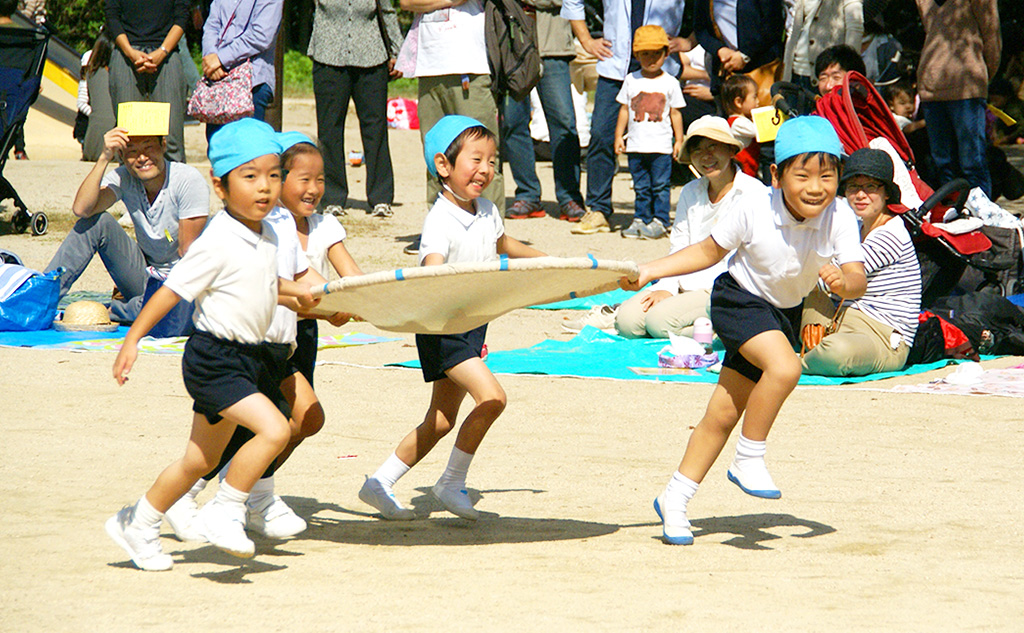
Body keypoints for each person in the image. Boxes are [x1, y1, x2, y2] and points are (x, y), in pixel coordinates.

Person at [621, 116, 867, 545]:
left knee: (721, 415)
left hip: (782, 314)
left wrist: (844, 283)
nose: (816, 187)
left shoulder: (840, 215)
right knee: (787, 368)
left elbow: (857, 279)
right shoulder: (754, 206)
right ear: (776, 175)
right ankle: (749, 457)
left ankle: (674, 498)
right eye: (803, 174)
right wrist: (649, 271)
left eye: (828, 175)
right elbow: (706, 251)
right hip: (739, 302)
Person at [105, 118, 318, 571]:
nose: (265, 187)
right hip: (214, 359)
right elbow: (171, 290)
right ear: (220, 187)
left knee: (198, 460)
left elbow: (259, 283)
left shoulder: (268, 233)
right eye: (250, 176)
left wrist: (297, 293)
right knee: (276, 429)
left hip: (247, 359)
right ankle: (228, 508)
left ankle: (138, 523)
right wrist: (132, 339)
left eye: (274, 175)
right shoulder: (217, 239)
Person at [162, 133, 355, 544]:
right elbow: (277, 289)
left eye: (319, 179)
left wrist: (358, 302)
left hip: (289, 340)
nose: (312, 188)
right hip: (251, 345)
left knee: (288, 421)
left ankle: (244, 497)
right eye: (295, 177)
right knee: (268, 424)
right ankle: (216, 498)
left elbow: (307, 280)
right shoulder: (250, 229)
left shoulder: (290, 224)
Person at [358, 116, 545, 521]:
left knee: (441, 420)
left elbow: (504, 244)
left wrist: (554, 263)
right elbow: (431, 270)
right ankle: (451, 481)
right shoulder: (440, 219)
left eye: (492, 160)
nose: (486, 169)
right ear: (444, 165)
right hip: (443, 328)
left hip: (471, 325)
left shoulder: (488, 210)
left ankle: (379, 483)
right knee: (493, 397)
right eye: (475, 159)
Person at [615, 115, 767, 339]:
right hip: (684, 281)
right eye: (697, 150)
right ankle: (706, 326)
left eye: (713, 146)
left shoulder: (754, 193)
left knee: (659, 323)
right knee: (627, 322)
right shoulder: (690, 191)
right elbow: (678, 244)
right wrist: (667, 286)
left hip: (725, 287)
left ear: (730, 149)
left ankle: (724, 329)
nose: (706, 156)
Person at [44, 119, 209, 322]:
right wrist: (104, 157)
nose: (142, 158)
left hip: (184, 287)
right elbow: (82, 209)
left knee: (162, 311)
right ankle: (41, 298)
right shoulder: (125, 177)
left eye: (149, 148)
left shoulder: (187, 180)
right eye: (131, 151)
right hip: (146, 279)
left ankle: (118, 310)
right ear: (121, 155)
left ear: (163, 146)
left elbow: (189, 254)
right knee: (96, 223)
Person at [561, 0, 685, 235]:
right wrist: (585, 39)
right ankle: (599, 209)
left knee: (659, 142)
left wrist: (692, 39)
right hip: (615, 65)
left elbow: (710, 7)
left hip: (661, 67)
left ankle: (656, 216)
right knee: (601, 135)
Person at [802, 148, 921, 376]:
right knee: (789, 288)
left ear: (886, 193)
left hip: (880, 335)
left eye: (871, 187)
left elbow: (831, 278)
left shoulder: (891, 234)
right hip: (839, 319)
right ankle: (793, 351)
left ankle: (792, 365)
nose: (860, 195)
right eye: (853, 187)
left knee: (836, 352)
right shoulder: (854, 227)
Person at [308, 0, 402, 219]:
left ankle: (381, 198)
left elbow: (387, 11)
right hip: (328, 58)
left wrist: (397, 51)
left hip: (371, 58)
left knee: (375, 129)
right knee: (329, 130)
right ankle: (331, 197)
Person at [502, 0, 586, 222]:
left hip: (552, 47)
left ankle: (569, 197)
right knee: (512, 123)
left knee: (563, 123)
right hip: (511, 46)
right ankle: (528, 195)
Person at [916, 0, 1000, 198]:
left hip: (967, 86)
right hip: (931, 87)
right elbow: (931, 31)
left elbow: (992, 36)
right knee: (942, 162)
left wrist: (982, 74)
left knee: (972, 161)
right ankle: (951, 213)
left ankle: (982, 214)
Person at [613, 25, 684, 240]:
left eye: (656, 53)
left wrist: (679, 139)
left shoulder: (670, 82)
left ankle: (660, 220)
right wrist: (618, 136)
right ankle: (641, 218)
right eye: (645, 54)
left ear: (666, 53)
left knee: (660, 186)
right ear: (636, 55)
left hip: (661, 147)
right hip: (636, 145)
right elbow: (624, 109)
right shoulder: (631, 80)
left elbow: (675, 114)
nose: (651, 59)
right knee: (641, 186)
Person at [105, 0, 189, 163]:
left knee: (171, 135)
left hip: (167, 53)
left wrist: (162, 52)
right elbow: (111, 15)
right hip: (126, 53)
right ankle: (129, 185)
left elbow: (182, 16)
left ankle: (174, 183)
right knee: (128, 134)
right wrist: (130, 52)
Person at [201, 0, 284, 142]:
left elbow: (261, 36)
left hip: (252, 83)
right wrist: (211, 57)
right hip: (218, 80)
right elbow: (211, 25)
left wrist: (221, 58)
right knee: (217, 148)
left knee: (247, 151)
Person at [782, 0, 863, 91]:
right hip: (795, 71)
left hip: (826, 75)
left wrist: (848, 73)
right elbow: (794, 30)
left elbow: (855, 29)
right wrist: (786, 73)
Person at [80, 32, 117, 162]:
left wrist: (96, 115)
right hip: (115, 143)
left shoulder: (90, 72)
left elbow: (81, 103)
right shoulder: (123, 75)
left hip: (92, 141)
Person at [718, 73, 759, 178]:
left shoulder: (743, 121)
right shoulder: (738, 123)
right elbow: (759, 131)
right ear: (739, 102)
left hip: (750, 168)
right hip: (744, 169)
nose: (758, 102)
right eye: (754, 97)